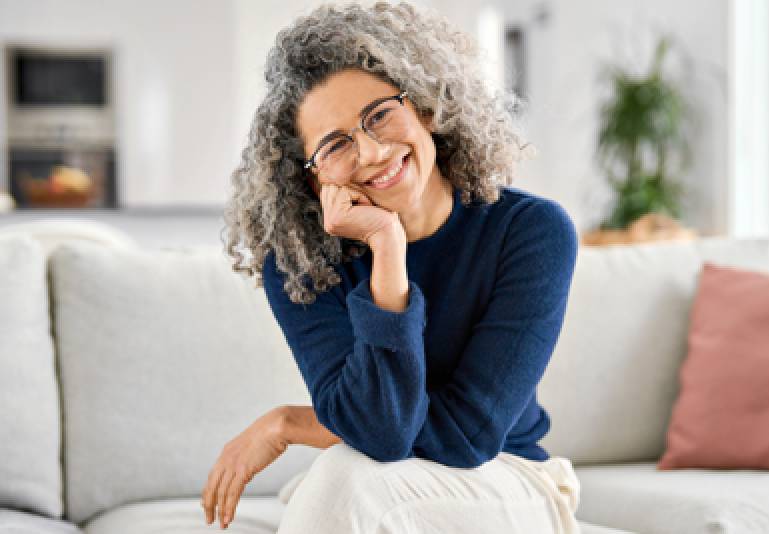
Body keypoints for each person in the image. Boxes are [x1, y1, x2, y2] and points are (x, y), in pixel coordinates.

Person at [202, 1, 582, 532]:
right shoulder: (298, 264)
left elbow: (466, 437)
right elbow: (380, 434)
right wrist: (386, 249)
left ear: (424, 108)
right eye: (336, 145)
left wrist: (290, 424)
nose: (373, 152)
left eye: (379, 115)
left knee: (342, 478)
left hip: (509, 477)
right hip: (380, 474)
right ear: (314, 181)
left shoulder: (531, 232)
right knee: (347, 475)